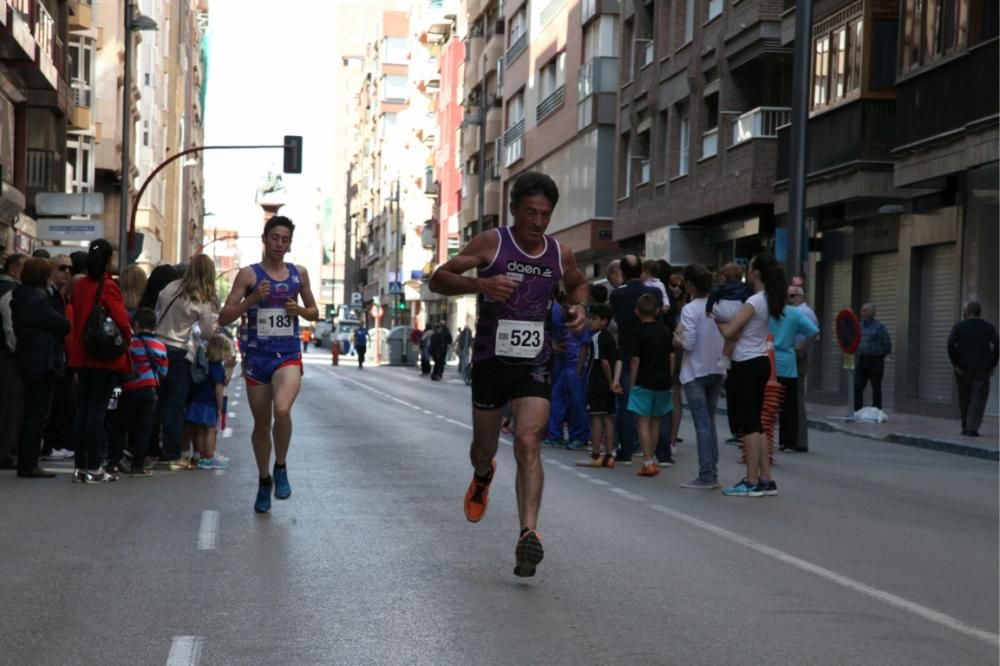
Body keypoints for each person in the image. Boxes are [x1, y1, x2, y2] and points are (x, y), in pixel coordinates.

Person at [429, 171, 589, 577]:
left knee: (528, 440)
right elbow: (439, 278)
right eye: (530, 213)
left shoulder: (559, 253)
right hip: (490, 361)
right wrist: (482, 286)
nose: (537, 222)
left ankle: (527, 534)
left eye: (545, 215)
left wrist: (578, 308)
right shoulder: (492, 243)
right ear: (515, 210)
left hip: (534, 362)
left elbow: (577, 284)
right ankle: (483, 475)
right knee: (484, 448)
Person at [218, 215, 319, 514]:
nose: (279, 244)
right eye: (275, 237)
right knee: (262, 426)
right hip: (257, 357)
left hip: (287, 353)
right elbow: (224, 316)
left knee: (283, 410)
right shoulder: (249, 276)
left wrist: (300, 309)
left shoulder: (298, 274)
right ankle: (264, 480)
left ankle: (281, 466)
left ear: (289, 243)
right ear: (264, 239)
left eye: (285, 239)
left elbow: (314, 312)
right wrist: (251, 301)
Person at [716, 253, 786, 497]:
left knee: (749, 425)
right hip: (760, 361)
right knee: (757, 423)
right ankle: (765, 479)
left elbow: (730, 332)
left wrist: (715, 318)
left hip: (746, 362)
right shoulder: (769, 299)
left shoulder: (754, 301)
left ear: (755, 273)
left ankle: (751, 479)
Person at [67, 239, 132, 483]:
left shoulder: (80, 286)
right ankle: (94, 466)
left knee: (83, 410)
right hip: (103, 356)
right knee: (96, 412)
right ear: (108, 260)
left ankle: (80, 466)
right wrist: (126, 340)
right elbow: (122, 321)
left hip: (82, 355)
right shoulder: (108, 286)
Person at [153, 254, 218, 469]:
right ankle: (173, 454)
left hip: (156, 348)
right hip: (179, 352)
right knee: (175, 404)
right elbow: (208, 333)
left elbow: (157, 311)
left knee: (156, 403)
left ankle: (148, 450)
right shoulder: (202, 298)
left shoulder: (171, 287)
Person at [11, 258, 71, 478]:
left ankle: (25, 460)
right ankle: (29, 462)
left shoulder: (20, 297)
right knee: (38, 414)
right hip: (42, 361)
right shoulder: (38, 300)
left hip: (27, 358)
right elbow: (63, 325)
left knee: (30, 412)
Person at [674, 264, 726, 489]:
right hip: (716, 368)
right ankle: (711, 471)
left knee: (702, 424)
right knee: (710, 422)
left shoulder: (690, 309)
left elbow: (688, 343)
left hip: (695, 370)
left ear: (690, 285)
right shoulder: (719, 306)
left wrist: (676, 339)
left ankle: (706, 474)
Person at [609, 255, 663, 464]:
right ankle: (659, 450)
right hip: (653, 353)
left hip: (627, 352)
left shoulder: (617, 295)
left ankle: (627, 449)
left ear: (622, 272)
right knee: (657, 406)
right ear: (641, 270)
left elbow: (616, 319)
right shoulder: (655, 292)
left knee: (627, 403)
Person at [109, 307, 168, 477]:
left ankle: (113, 462)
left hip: (129, 389)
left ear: (135, 324)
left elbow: (121, 365)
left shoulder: (130, 343)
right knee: (144, 428)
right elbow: (163, 372)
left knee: (121, 426)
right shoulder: (160, 346)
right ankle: (138, 466)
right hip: (149, 390)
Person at [620, 293, 673, 477]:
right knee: (656, 420)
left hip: (643, 380)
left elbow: (635, 360)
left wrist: (633, 383)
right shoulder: (666, 331)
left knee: (642, 421)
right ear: (658, 311)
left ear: (637, 312)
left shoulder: (638, 333)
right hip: (663, 381)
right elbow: (671, 355)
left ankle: (648, 461)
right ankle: (654, 459)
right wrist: (670, 376)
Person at [769, 291, 819, 455]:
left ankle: (765, 439)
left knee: (768, 403)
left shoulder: (767, 312)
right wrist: (801, 347)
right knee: (789, 404)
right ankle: (788, 442)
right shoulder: (794, 313)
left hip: (769, 359)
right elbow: (813, 332)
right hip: (789, 361)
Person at [544, 293, 590, 449]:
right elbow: (559, 344)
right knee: (558, 398)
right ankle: (555, 435)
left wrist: (579, 369)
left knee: (577, 403)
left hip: (576, 367)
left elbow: (584, 346)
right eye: (564, 306)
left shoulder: (582, 323)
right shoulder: (565, 323)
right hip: (566, 366)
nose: (566, 310)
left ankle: (579, 437)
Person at [41, 253, 76, 461]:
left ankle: (52, 443)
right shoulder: (48, 295)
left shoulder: (59, 295)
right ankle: (48, 445)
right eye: (62, 268)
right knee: (50, 405)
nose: (67, 272)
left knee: (57, 404)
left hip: (58, 355)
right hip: (50, 354)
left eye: (69, 268)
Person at [948, 302, 999, 437]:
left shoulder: (959, 327)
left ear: (969, 312)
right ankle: (972, 428)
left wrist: (955, 363)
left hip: (963, 369)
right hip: (982, 369)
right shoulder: (988, 327)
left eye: (964, 310)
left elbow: (950, 344)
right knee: (978, 398)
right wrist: (992, 364)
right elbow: (997, 345)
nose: (963, 312)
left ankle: (965, 426)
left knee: (964, 397)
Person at [187, 334, 234, 469]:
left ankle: (201, 456)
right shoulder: (217, 368)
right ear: (221, 351)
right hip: (209, 403)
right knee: (211, 430)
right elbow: (220, 389)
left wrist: (229, 368)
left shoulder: (205, 365)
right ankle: (209, 456)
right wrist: (219, 408)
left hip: (197, 400)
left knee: (200, 429)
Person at [583, 303, 618, 467]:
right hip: (608, 385)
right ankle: (609, 455)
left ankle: (596, 454)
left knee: (596, 419)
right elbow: (617, 361)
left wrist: (610, 381)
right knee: (608, 419)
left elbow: (603, 361)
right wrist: (615, 382)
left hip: (597, 382)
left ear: (604, 321)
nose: (591, 321)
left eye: (594, 319)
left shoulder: (596, 337)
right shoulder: (611, 337)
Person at [0, 253, 27, 469]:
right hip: (7, 356)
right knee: (9, 404)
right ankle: (4, 452)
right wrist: (18, 351)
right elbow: (10, 326)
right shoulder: (11, 292)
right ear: (14, 269)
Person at [787, 284, 819, 451]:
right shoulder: (798, 312)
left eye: (792, 296)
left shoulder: (804, 312)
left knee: (797, 398)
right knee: (792, 398)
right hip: (793, 356)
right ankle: (793, 439)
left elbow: (814, 334)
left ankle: (798, 440)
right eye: (788, 296)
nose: (790, 299)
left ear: (801, 296)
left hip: (797, 357)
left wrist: (801, 349)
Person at [706, 262, 754, 369]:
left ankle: (724, 358)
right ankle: (726, 357)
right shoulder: (745, 287)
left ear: (724, 276)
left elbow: (713, 293)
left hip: (721, 312)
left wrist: (708, 309)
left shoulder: (720, 287)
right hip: (737, 311)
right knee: (734, 335)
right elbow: (748, 298)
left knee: (729, 336)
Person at [855, 303, 891, 412]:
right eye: (862, 310)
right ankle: (857, 410)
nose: (862, 313)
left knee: (876, 387)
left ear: (871, 313)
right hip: (863, 359)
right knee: (857, 386)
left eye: (864, 311)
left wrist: (882, 356)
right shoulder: (859, 326)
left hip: (876, 360)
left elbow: (886, 343)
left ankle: (876, 411)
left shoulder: (879, 326)